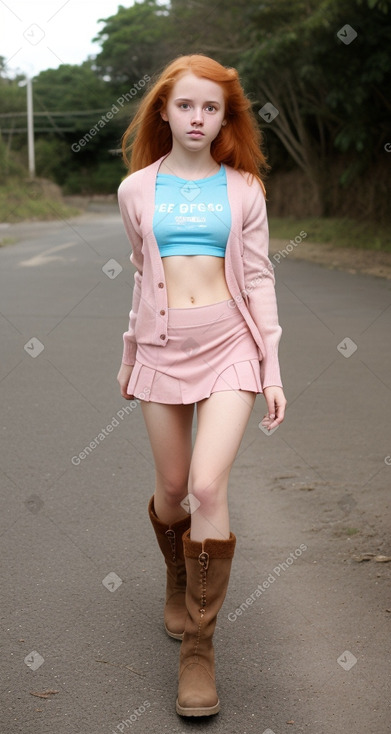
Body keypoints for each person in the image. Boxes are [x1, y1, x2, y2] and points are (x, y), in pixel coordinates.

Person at [116, 54, 286, 718]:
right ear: (163, 109)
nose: (197, 117)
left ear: (224, 117)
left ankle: (199, 651)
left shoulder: (243, 188)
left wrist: (270, 367)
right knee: (170, 491)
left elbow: (261, 278)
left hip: (229, 346)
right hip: (161, 348)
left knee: (207, 486)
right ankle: (178, 572)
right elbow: (141, 277)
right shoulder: (136, 190)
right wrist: (130, 354)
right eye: (185, 105)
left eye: (210, 108)